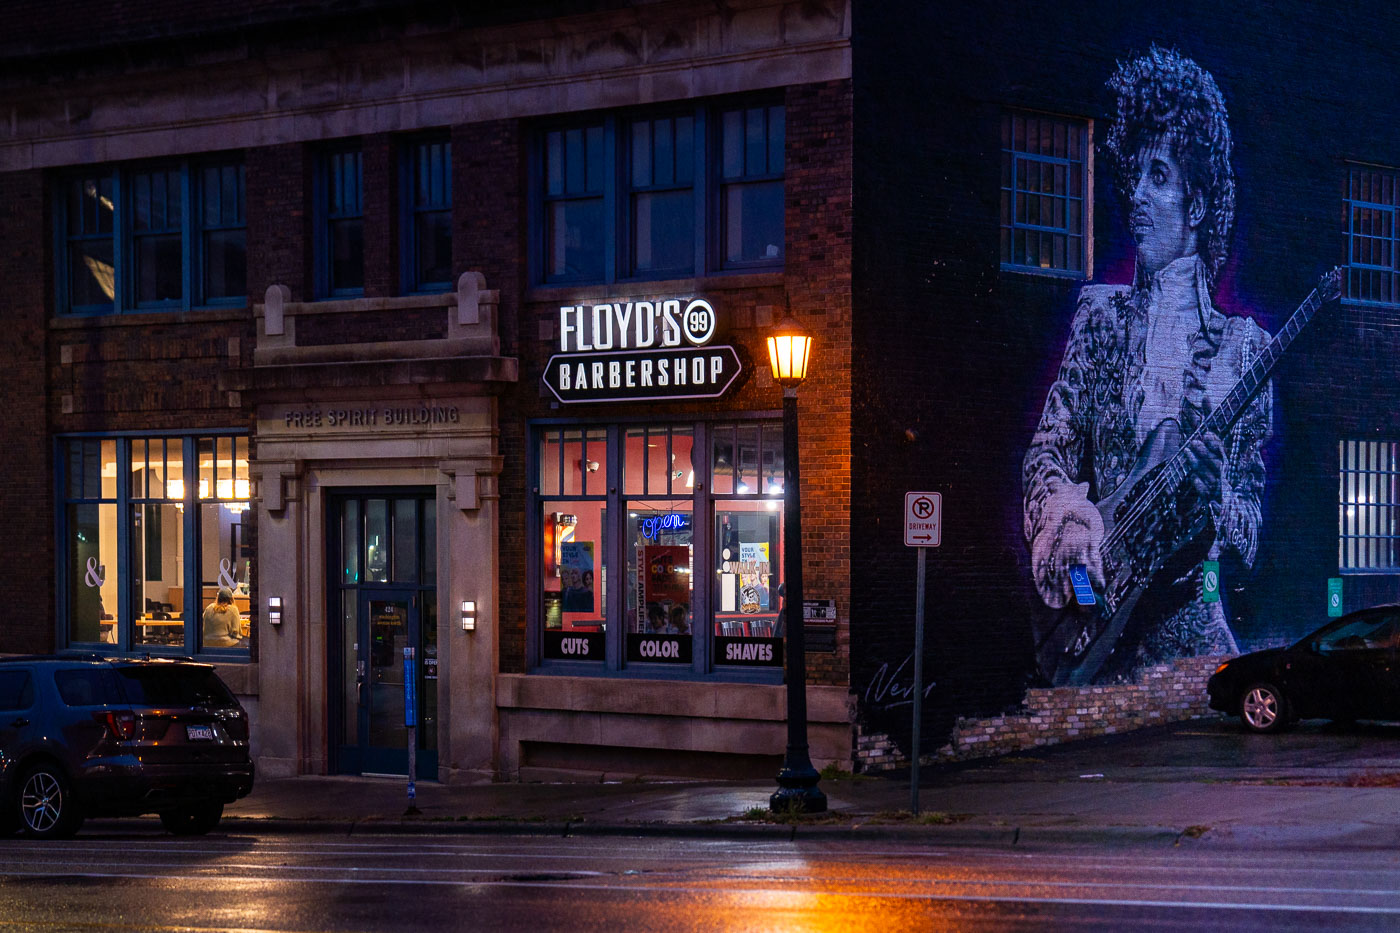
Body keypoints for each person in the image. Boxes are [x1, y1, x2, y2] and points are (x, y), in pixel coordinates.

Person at [1023, 47, 1272, 685]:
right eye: (1134, 173)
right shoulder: (1100, 320)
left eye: (1157, 176)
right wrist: (1068, 526)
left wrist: (1216, 494)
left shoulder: (1244, 350)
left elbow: (1248, 528)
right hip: (1097, 634)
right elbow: (1046, 454)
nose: (1136, 195)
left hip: (1193, 651)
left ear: (1197, 204)